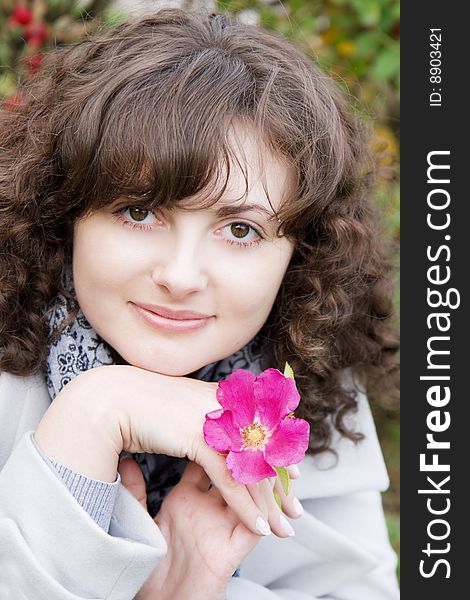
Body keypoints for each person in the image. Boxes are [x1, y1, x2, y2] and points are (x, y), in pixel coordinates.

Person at [0, 8, 399, 599]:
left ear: (300, 255)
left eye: (240, 230)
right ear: (65, 212)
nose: (181, 276)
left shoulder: (303, 385)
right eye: (139, 212)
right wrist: (96, 410)